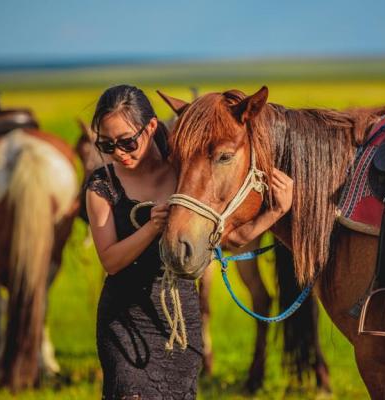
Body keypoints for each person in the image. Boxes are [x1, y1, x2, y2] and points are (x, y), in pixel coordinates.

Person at [85, 84, 293, 399]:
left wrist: (276, 211)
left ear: (151, 127)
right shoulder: (101, 186)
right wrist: (151, 229)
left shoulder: (181, 172)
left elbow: (230, 240)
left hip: (181, 325)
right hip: (125, 322)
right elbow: (110, 261)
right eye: (107, 144)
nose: (119, 153)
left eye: (127, 142)